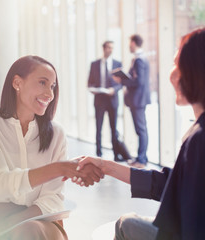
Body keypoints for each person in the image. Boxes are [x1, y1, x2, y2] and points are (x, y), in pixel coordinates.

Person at [77, 28, 205, 240]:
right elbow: (171, 183)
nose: (171, 74)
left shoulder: (199, 139)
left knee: (125, 224)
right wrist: (106, 166)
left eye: (177, 64)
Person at [0, 56, 103, 240]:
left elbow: (53, 197)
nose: (50, 94)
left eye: (53, 86)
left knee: (28, 231)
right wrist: (58, 168)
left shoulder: (56, 134)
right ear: (17, 83)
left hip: (40, 220)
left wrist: (17, 222)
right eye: (42, 83)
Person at [88, 41, 132, 162]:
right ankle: (98, 152)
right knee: (98, 127)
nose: (110, 50)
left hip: (112, 100)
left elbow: (121, 83)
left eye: (112, 48)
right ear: (103, 48)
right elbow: (89, 83)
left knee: (113, 127)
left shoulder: (118, 64)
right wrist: (93, 89)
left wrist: (115, 89)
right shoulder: (94, 64)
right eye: (108, 47)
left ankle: (115, 154)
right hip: (99, 99)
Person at [113, 34, 150, 168]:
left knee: (141, 130)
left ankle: (141, 160)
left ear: (134, 43)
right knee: (140, 129)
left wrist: (122, 80)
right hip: (137, 100)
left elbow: (138, 81)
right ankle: (140, 158)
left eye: (130, 43)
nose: (129, 46)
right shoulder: (140, 58)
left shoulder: (139, 60)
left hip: (138, 100)